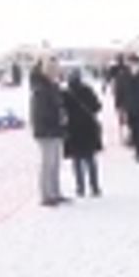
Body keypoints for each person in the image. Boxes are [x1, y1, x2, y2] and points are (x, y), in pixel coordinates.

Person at [30, 62, 70, 207]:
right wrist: (57, 118)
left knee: (55, 163)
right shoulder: (41, 90)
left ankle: (55, 192)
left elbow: (58, 106)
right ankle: (46, 195)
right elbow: (41, 113)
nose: (57, 74)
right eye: (54, 71)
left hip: (55, 129)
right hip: (45, 131)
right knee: (47, 163)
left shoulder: (53, 88)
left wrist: (62, 116)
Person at [63, 70, 103, 198]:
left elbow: (62, 111)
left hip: (73, 130)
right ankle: (94, 186)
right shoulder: (87, 90)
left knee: (76, 161)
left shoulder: (65, 94)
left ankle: (80, 187)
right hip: (88, 128)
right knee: (90, 159)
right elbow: (98, 107)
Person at [114, 56, 139, 161]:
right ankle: (138, 146)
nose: (134, 65)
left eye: (136, 63)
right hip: (129, 106)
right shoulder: (123, 76)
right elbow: (119, 91)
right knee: (132, 127)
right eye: (132, 63)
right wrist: (118, 105)